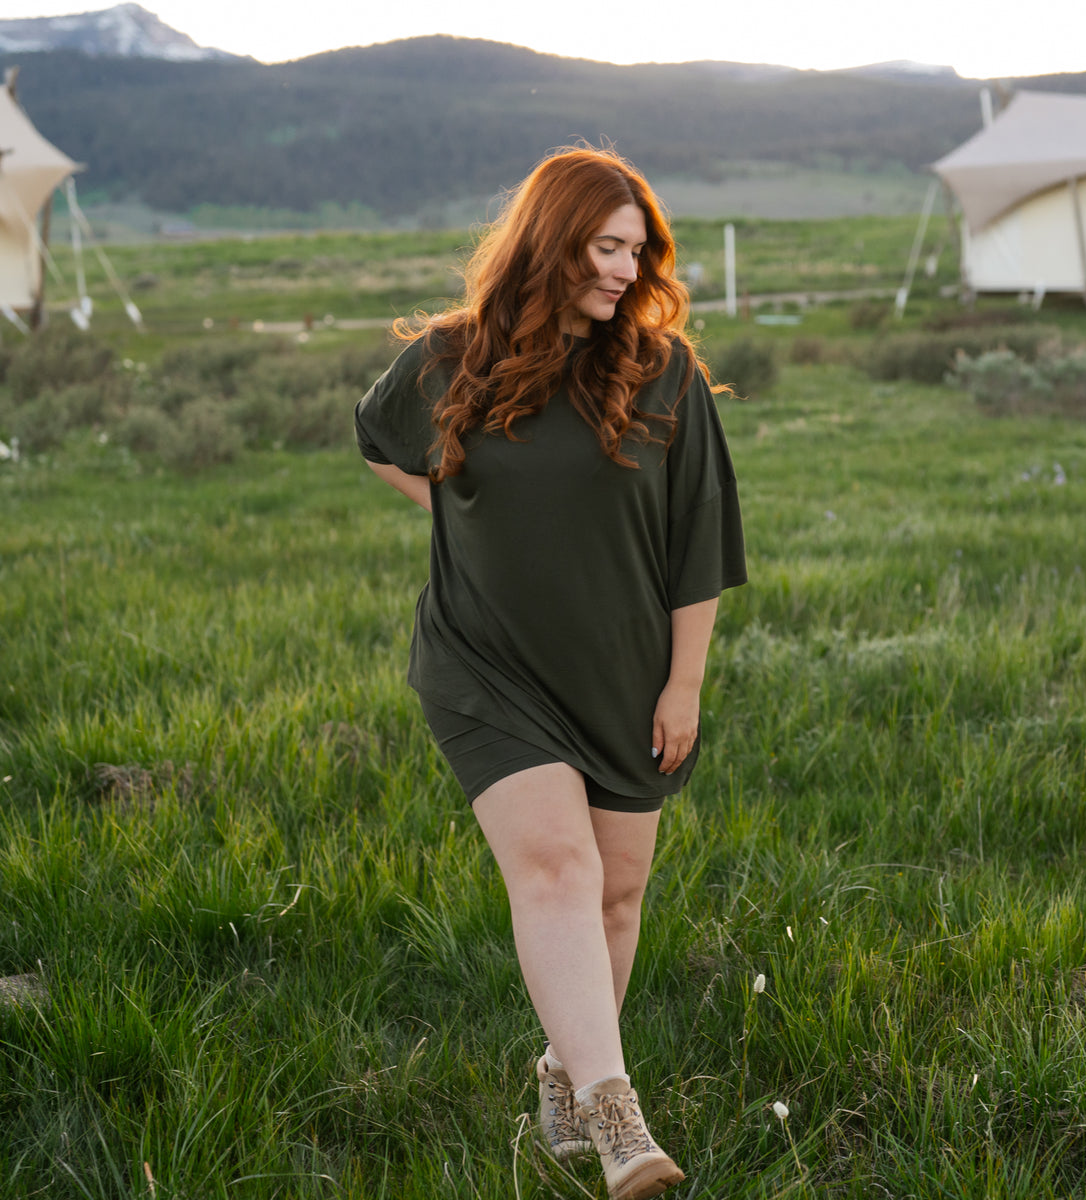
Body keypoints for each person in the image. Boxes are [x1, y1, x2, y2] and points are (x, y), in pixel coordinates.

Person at [355, 145, 746, 1200]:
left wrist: (683, 685)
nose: (626, 270)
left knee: (617, 894)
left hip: (624, 670)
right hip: (485, 665)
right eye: (606, 246)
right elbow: (379, 441)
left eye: (638, 251)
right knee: (560, 875)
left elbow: (698, 540)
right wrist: (455, 510)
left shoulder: (664, 374)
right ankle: (619, 1118)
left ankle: (562, 1075)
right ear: (551, 237)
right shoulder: (450, 358)